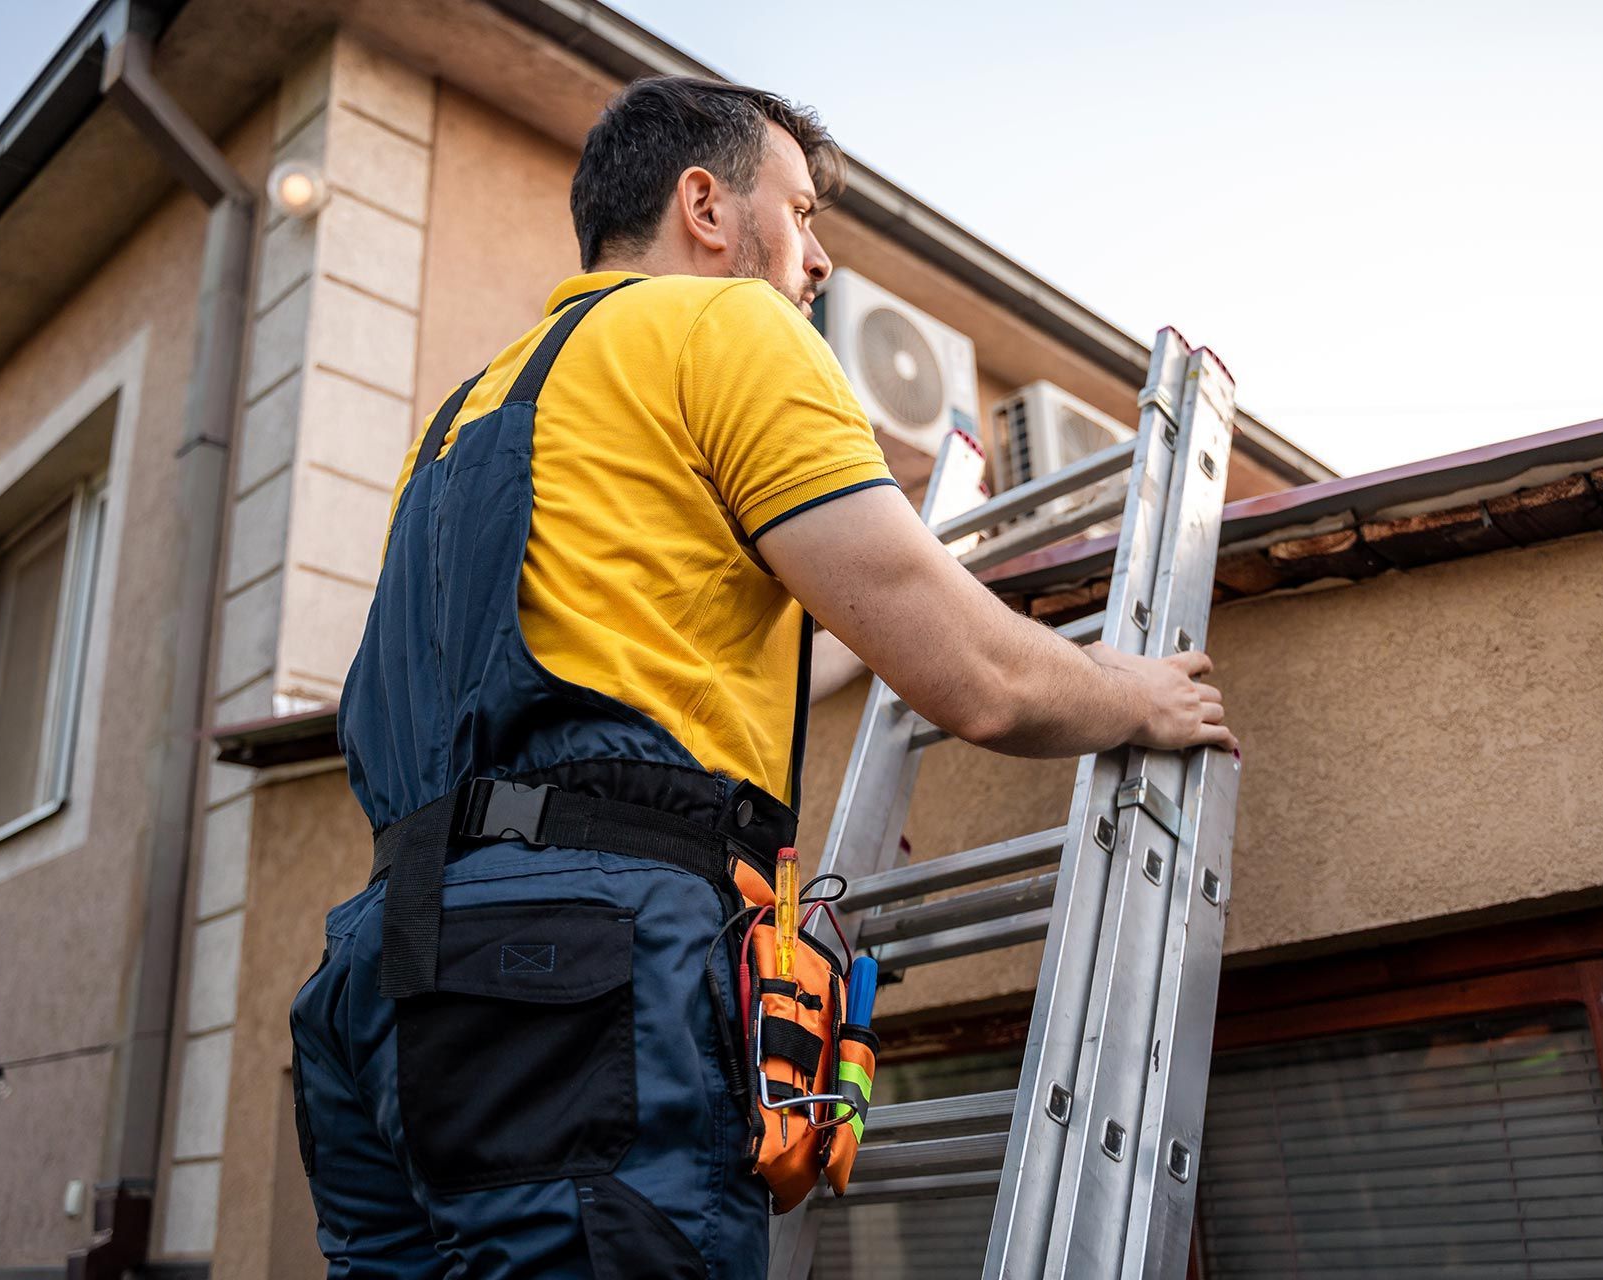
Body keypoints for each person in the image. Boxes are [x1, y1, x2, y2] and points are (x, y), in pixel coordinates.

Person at [289, 74, 1234, 1280]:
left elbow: (641, 653)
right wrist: (1131, 691)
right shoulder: (724, 329)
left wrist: (868, 640)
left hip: (384, 976)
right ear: (707, 207)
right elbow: (978, 679)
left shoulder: (479, 411)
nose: (820, 262)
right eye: (801, 212)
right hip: (579, 976)